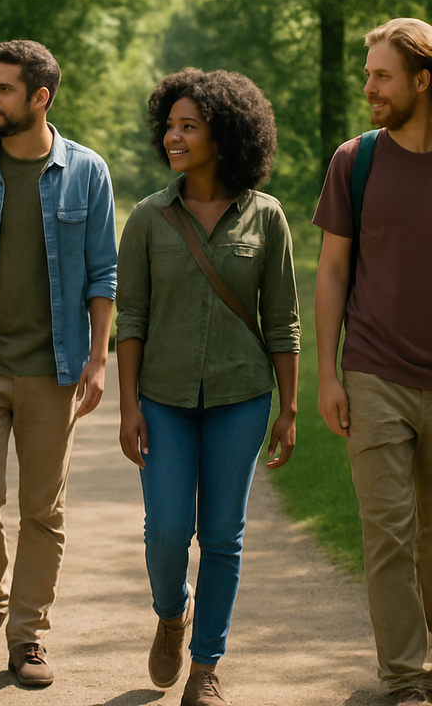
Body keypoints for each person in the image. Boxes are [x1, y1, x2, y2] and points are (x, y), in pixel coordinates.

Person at [0, 39, 117, 687]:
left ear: (41, 98)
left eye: (4, 89)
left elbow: (103, 273)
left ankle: (28, 636)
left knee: (44, 509)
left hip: (55, 369)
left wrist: (97, 359)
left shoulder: (88, 172)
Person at [116, 68, 300, 706]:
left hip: (241, 397)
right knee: (167, 530)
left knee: (222, 534)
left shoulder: (267, 218)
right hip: (162, 400)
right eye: (169, 126)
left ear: (224, 134)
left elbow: (282, 321)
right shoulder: (146, 217)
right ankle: (172, 613)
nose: (174, 137)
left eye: (188, 127)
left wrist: (289, 408)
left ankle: (206, 667)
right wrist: (128, 407)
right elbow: (130, 318)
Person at [314, 17, 432, 706]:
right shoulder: (354, 160)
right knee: (389, 534)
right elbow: (331, 271)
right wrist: (328, 373)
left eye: (382, 76)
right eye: (367, 76)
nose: (370, 89)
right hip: (375, 372)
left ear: (423, 80)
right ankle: (404, 680)